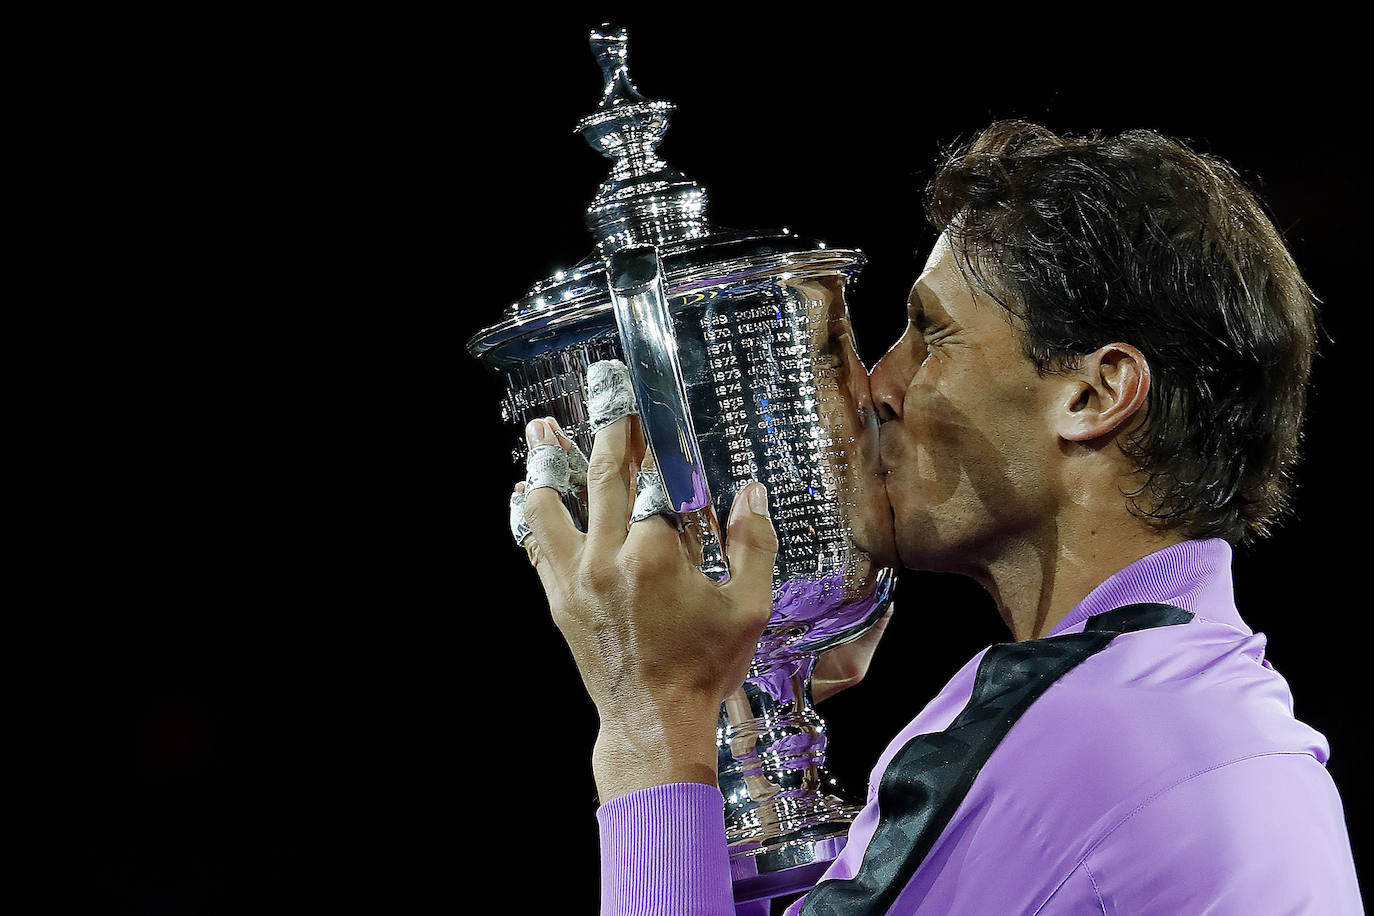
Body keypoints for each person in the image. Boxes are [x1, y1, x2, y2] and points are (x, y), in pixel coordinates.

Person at [510, 120, 1363, 913]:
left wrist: (651, 719)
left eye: (930, 333)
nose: (879, 385)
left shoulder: (1073, 737)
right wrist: (751, 715)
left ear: (1093, 394)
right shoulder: (1210, 705)